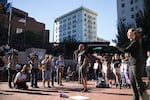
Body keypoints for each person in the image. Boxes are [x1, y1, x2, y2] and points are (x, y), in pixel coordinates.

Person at [113, 28, 149, 100]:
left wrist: (116, 45)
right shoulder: (132, 42)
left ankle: (145, 98)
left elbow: (124, 50)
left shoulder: (135, 42)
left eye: (128, 32)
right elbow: (127, 51)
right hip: (131, 64)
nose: (127, 34)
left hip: (136, 64)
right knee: (133, 84)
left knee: (138, 84)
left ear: (133, 33)